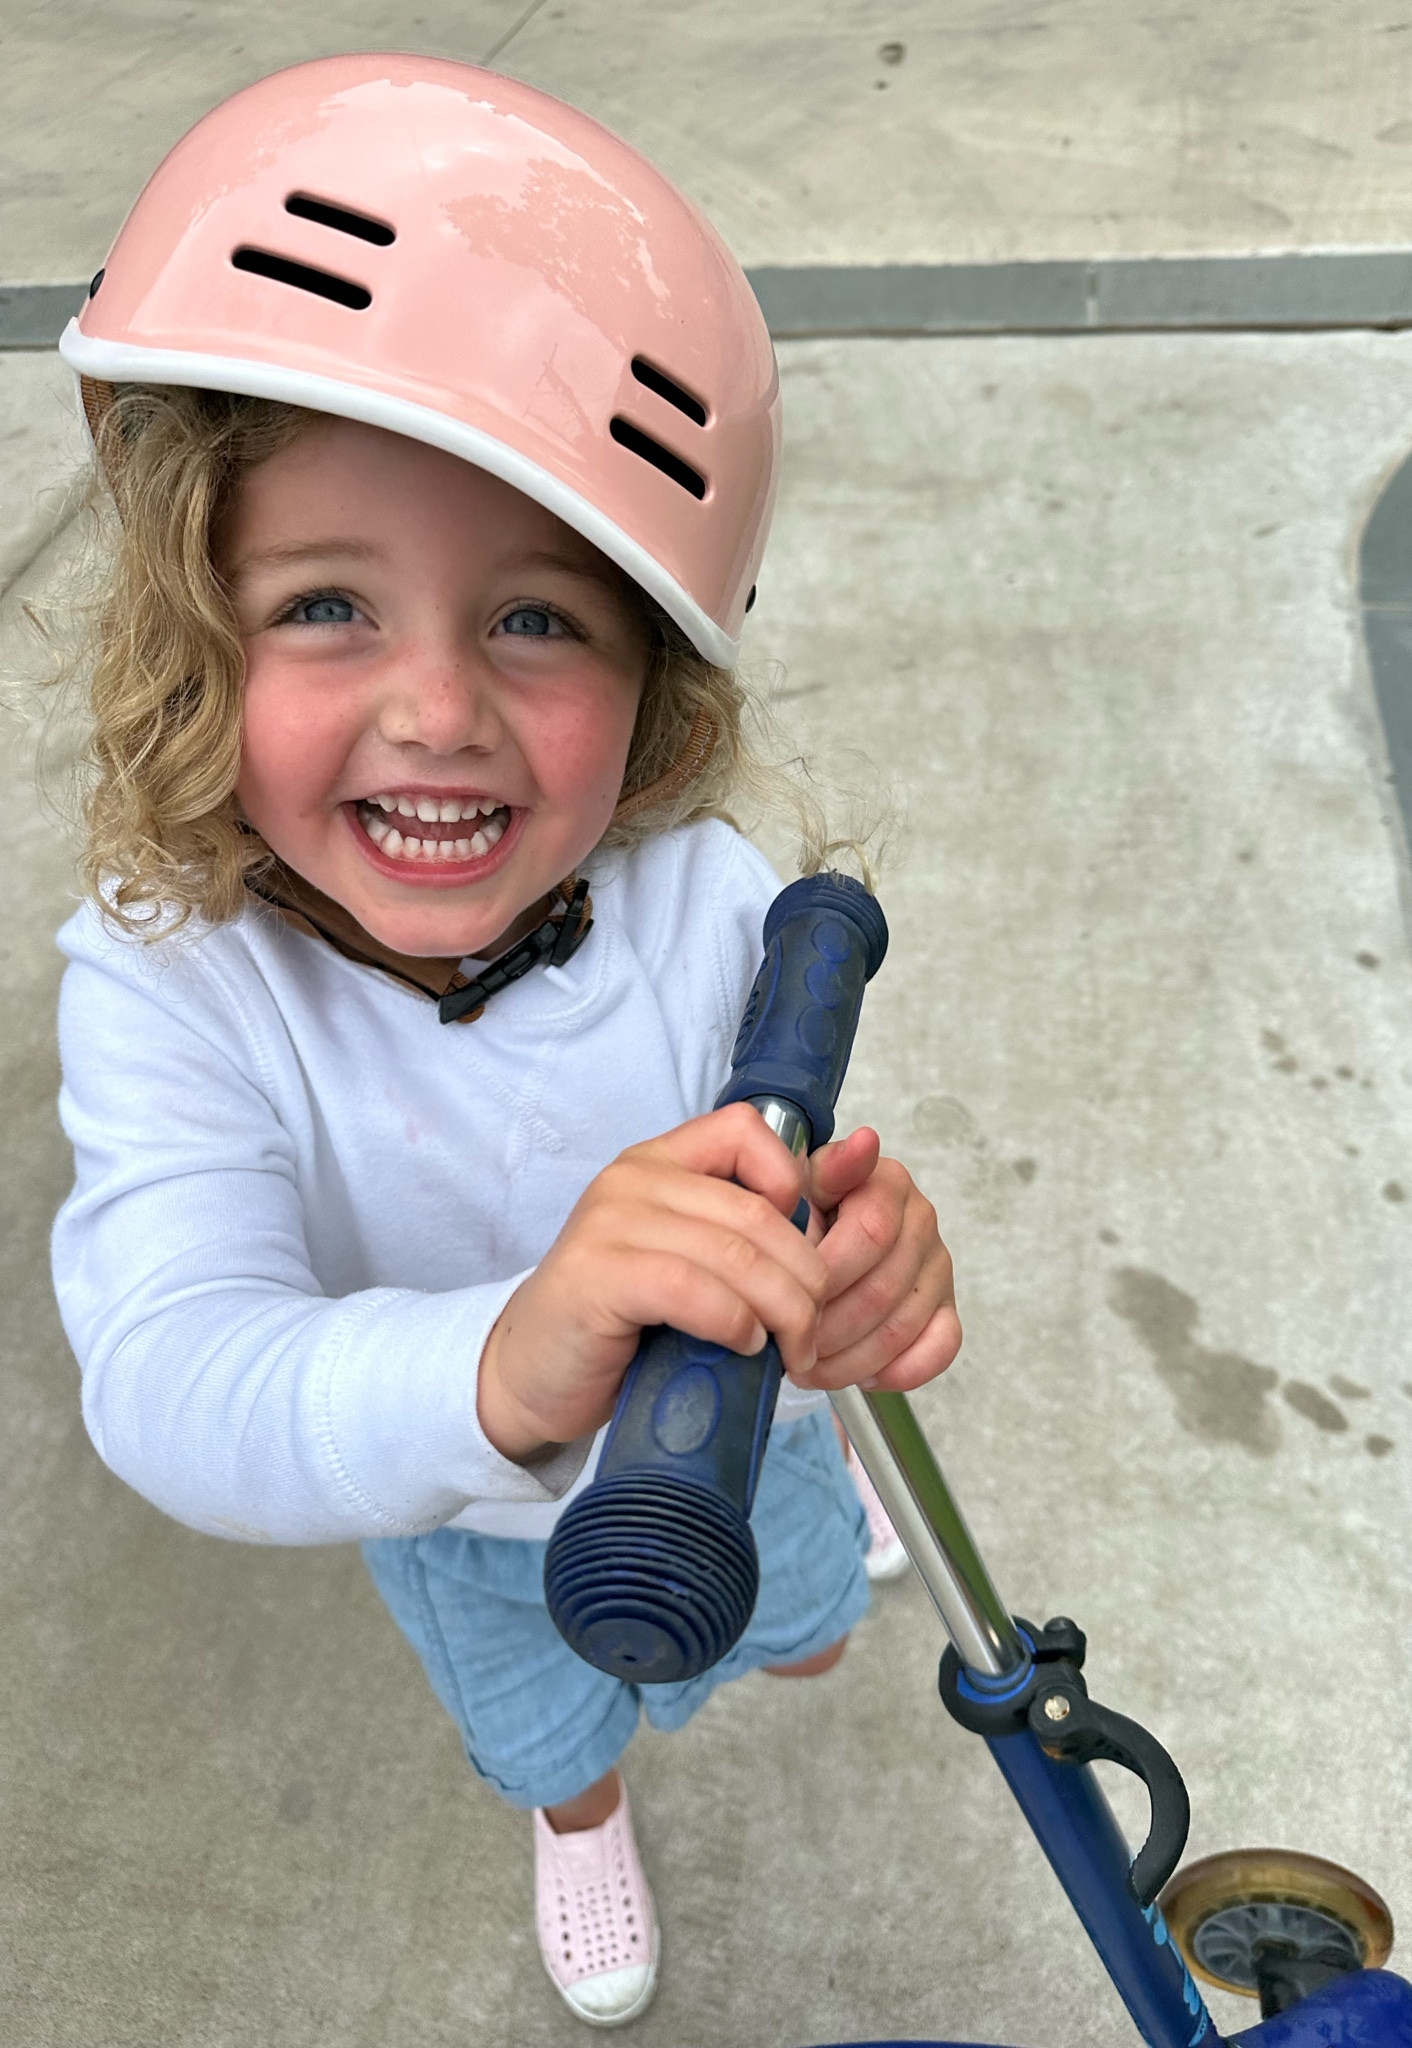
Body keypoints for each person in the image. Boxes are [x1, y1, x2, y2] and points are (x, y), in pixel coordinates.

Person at [50, 54, 958, 2027]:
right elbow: (173, 1368)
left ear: (654, 671)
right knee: (557, 1725)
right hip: (466, 1520)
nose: (441, 709)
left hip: (746, 1437)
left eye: (537, 619)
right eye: (325, 605)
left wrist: (841, 1264)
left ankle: (827, 1489)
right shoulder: (172, 982)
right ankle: (579, 1826)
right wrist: (498, 1363)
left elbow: (777, 1143)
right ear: (192, 627)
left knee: (808, 1633)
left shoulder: (701, 897)